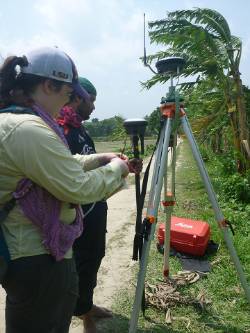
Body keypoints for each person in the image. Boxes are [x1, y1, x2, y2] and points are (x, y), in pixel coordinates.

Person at [0, 46, 133, 333]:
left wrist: (100, 159)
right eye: (67, 94)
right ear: (49, 85)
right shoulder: (28, 128)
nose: (67, 102)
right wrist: (118, 169)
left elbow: (57, 165)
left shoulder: (16, 121)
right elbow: (76, 188)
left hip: (30, 253)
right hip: (38, 256)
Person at [57, 77, 116, 333]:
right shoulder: (60, 131)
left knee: (93, 258)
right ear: (78, 98)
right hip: (77, 210)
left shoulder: (80, 129)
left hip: (95, 208)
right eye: (91, 100)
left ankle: (86, 306)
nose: (93, 107)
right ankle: (82, 314)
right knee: (80, 263)